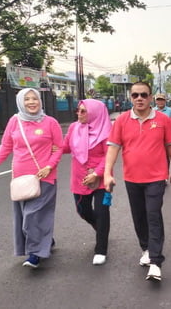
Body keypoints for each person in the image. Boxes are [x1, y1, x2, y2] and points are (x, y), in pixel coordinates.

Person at [0, 88, 63, 268]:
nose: (31, 102)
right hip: (20, 178)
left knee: (32, 216)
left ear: (40, 101)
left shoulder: (50, 122)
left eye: (34, 98)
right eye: (27, 99)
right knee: (24, 217)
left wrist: (49, 167)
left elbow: (58, 147)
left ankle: (35, 254)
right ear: (21, 102)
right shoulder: (15, 121)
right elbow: (5, 147)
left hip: (43, 176)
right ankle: (45, 240)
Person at [104, 82, 171, 282]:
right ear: (130, 97)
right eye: (135, 95)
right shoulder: (121, 121)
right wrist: (107, 173)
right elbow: (113, 148)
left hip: (156, 178)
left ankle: (156, 261)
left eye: (143, 95)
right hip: (132, 178)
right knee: (139, 216)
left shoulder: (163, 120)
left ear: (150, 97)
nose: (139, 98)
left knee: (153, 214)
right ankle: (146, 248)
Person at [62, 99, 112, 265]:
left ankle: (101, 249)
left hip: (102, 178)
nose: (79, 114)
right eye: (78, 110)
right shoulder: (73, 128)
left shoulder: (106, 131)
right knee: (82, 210)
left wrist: (97, 173)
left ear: (94, 113)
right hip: (80, 178)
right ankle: (99, 228)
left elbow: (109, 155)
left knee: (102, 211)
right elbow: (66, 147)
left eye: (83, 111)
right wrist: (49, 144)